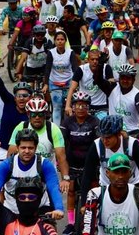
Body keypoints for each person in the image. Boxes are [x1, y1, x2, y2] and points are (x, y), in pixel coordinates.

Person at [0, 139, 62, 235]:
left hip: (42, 210)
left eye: (31, 197)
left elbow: (54, 187)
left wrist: (59, 208)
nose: (26, 200)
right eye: (22, 197)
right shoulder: (6, 220)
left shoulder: (46, 229)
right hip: (11, 209)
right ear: (17, 148)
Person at [80, 115, 139, 204]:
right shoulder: (96, 146)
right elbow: (87, 176)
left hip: (132, 186)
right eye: (102, 137)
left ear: (118, 134)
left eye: (108, 137)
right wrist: (83, 204)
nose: (105, 141)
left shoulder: (133, 145)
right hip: (107, 187)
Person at [82, 153, 139, 235]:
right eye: (116, 172)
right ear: (107, 173)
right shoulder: (95, 195)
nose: (120, 176)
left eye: (124, 172)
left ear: (130, 173)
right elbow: (88, 228)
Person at [8, 98, 69, 191]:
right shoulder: (20, 127)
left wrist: (65, 178)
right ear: (28, 115)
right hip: (24, 174)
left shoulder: (53, 129)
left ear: (45, 115)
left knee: (53, 201)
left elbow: (61, 157)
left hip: (47, 174)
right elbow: (11, 155)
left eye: (40, 114)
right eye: (34, 114)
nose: (37, 117)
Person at [60, 92, 100, 235]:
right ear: (73, 107)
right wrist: (62, 162)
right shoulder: (67, 122)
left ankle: (94, 220)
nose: (81, 108)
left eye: (84, 105)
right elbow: (62, 143)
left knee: (94, 191)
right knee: (71, 191)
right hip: (72, 163)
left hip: (90, 163)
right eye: (78, 105)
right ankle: (71, 223)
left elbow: (98, 143)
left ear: (88, 107)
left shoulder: (94, 122)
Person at [42, 31, 79, 125]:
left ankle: (68, 127)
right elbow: (48, 69)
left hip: (68, 81)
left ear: (65, 41)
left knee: (69, 105)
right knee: (57, 107)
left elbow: (75, 68)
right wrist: (46, 84)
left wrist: (77, 83)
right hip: (54, 83)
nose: (60, 42)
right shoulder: (51, 53)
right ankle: (57, 129)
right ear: (55, 41)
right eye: (58, 39)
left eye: (62, 39)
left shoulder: (70, 53)